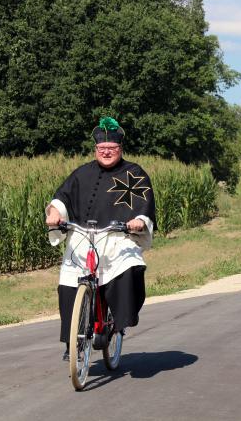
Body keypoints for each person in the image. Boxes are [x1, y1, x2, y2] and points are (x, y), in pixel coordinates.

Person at [45, 116, 156, 361]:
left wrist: (138, 221)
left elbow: (144, 205)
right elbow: (62, 198)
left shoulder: (134, 173)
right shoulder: (81, 173)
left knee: (130, 268)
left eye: (111, 148)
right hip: (82, 238)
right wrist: (54, 213)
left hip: (118, 238)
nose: (106, 152)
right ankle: (72, 342)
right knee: (68, 281)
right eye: (101, 148)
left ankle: (117, 322)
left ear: (120, 148)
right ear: (95, 149)